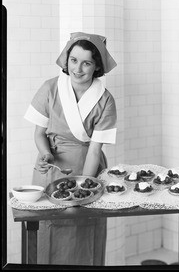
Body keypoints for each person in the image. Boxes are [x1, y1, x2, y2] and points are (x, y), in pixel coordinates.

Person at [24, 32, 117, 265]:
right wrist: (46, 154)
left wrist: (83, 187)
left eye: (87, 62)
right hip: (51, 168)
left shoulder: (105, 100)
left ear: (97, 67)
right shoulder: (50, 88)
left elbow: (95, 150)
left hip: (88, 168)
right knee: (47, 226)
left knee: (85, 228)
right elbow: (39, 134)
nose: (78, 68)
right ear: (66, 60)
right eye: (74, 60)